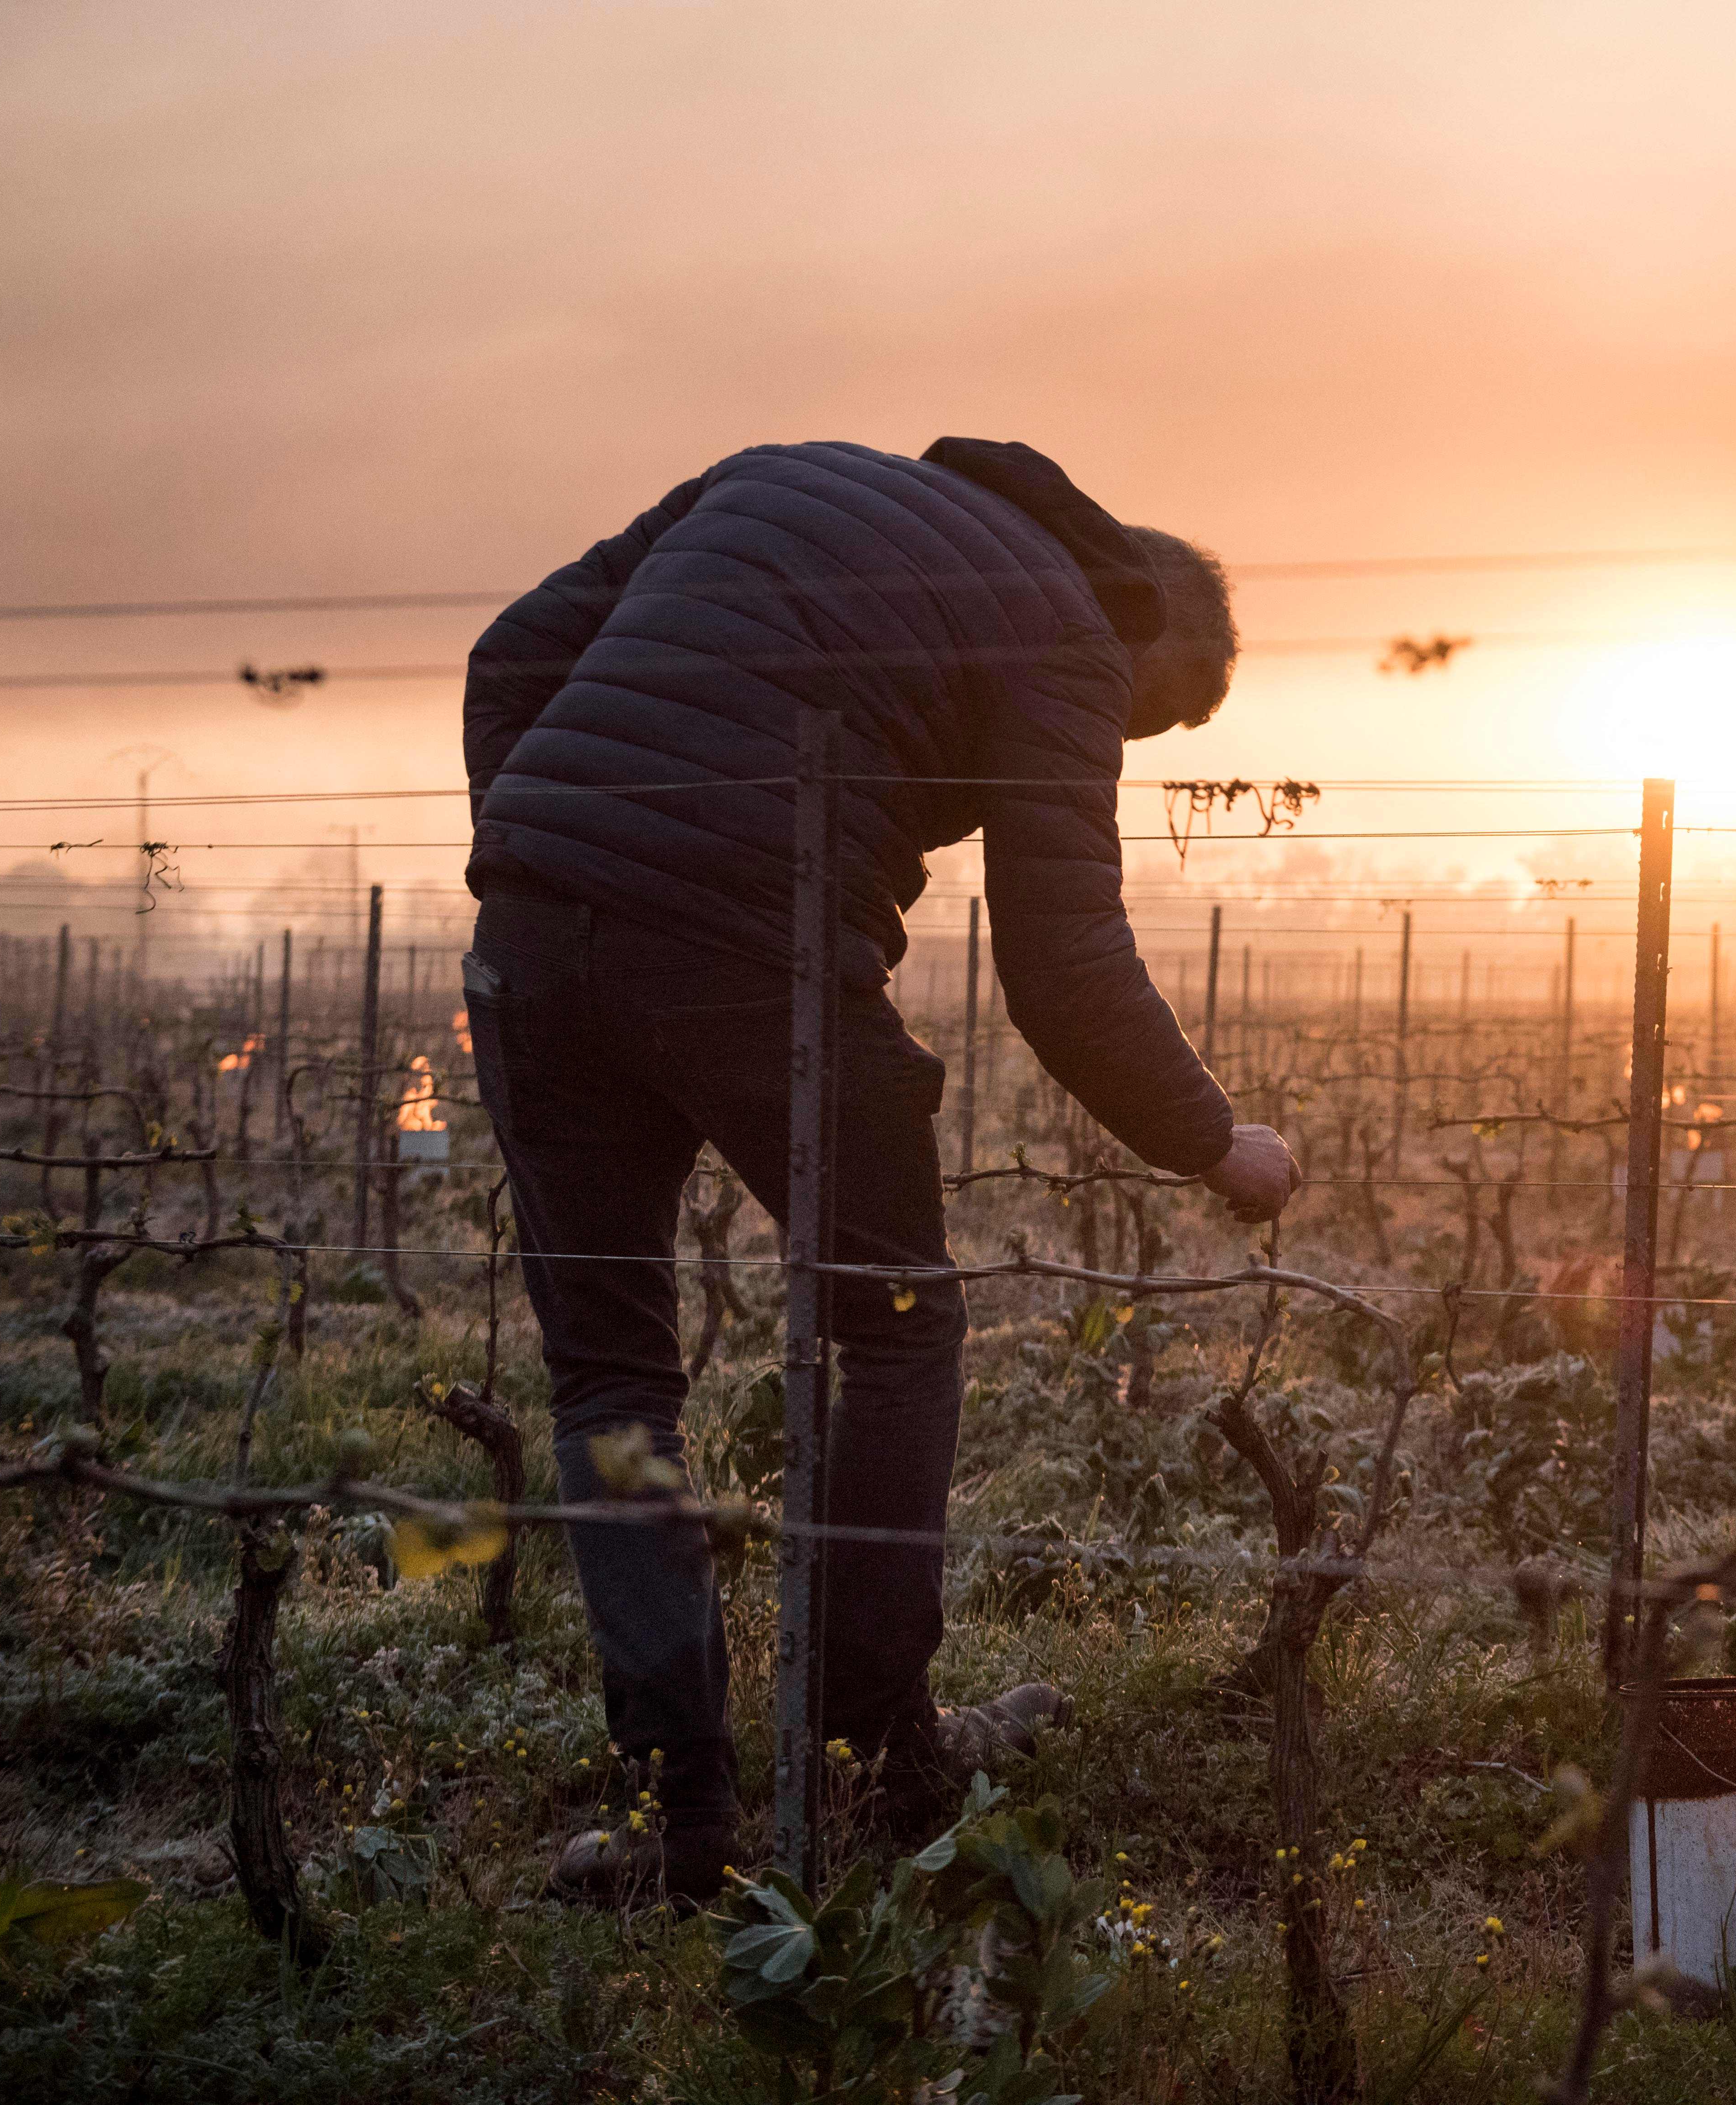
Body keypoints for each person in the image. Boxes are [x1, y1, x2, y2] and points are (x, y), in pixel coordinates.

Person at [459, 437, 1299, 1905]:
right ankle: (871, 1762)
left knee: (609, 1382)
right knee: (899, 1332)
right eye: (1145, 722)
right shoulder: (1074, 619)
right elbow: (1061, 953)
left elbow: (511, 652)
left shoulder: (779, 472)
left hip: (531, 926)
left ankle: (681, 1821)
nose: (1120, 741)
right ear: (1149, 626)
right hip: (747, 955)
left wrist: (548, 854)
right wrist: (1214, 1141)